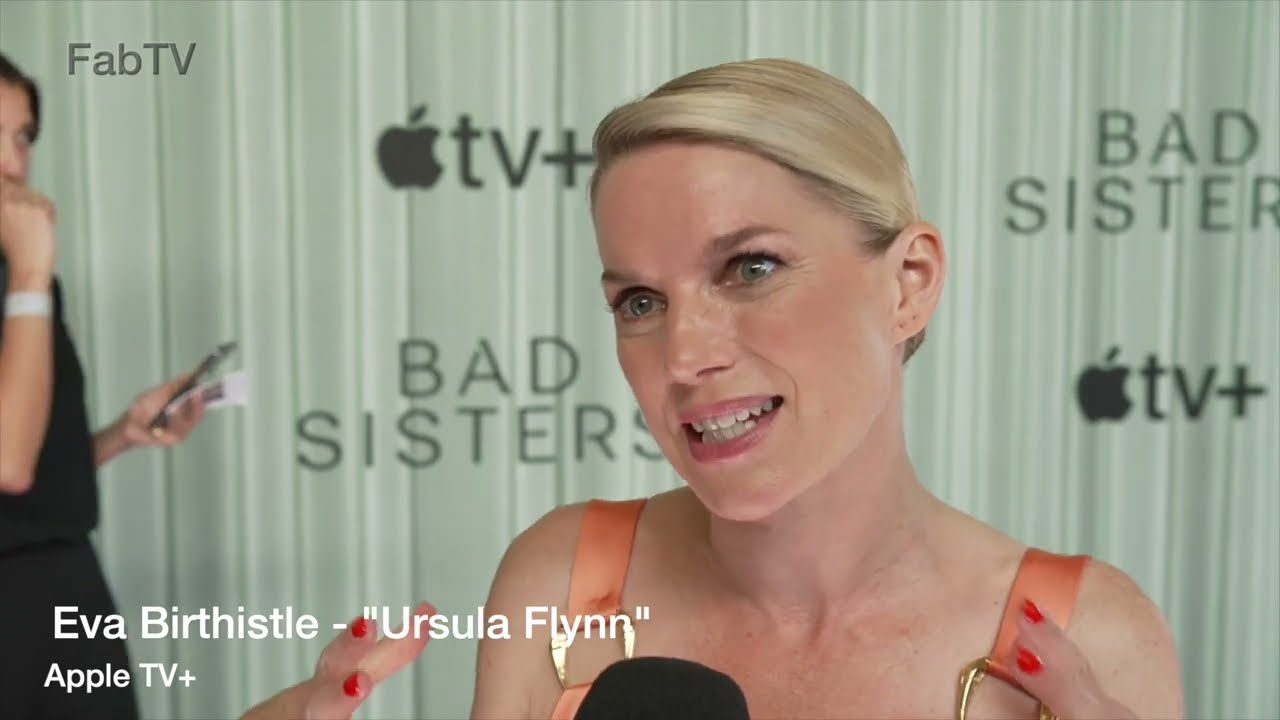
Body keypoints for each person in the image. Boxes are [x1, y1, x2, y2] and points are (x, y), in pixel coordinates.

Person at [242, 58, 1184, 719]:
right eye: (640, 301)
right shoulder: (563, 580)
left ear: (909, 283)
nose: (682, 355)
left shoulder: (1090, 635)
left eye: (750, 268)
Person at [0, 51, 207, 718]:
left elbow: (31, 472)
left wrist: (122, 434)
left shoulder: (22, 281)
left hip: (68, 586)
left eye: (22, 136)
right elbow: (7, 464)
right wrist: (31, 278)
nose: (12, 163)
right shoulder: (27, 278)